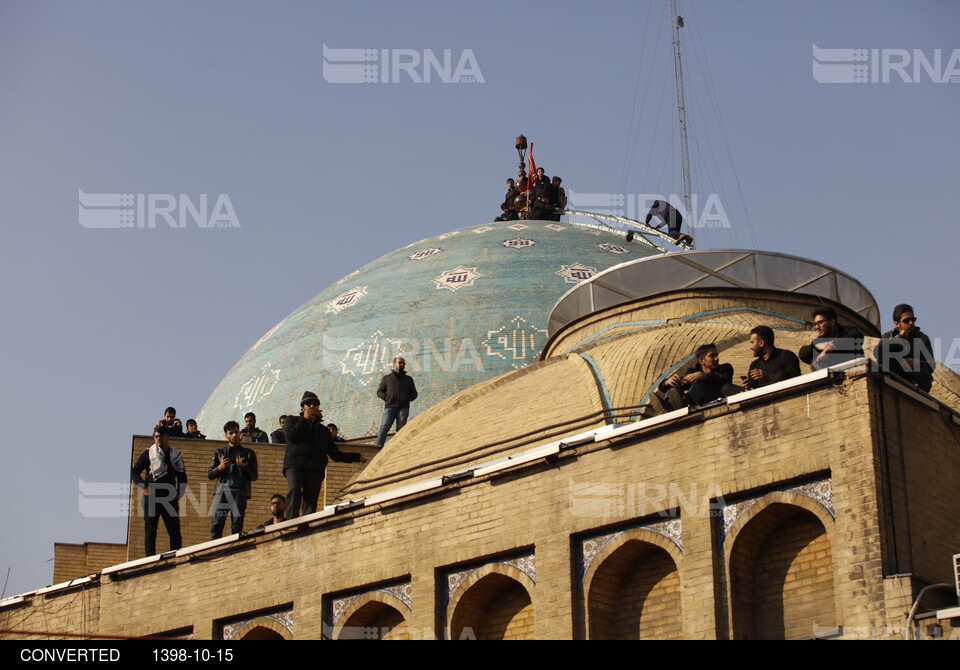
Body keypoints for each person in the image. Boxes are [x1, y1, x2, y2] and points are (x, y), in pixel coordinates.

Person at [283, 392, 366, 518]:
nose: (312, 406)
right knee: (294, 489)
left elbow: (335, 454)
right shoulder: (292, 420)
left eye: (315, 404)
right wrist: (304, 420)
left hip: (314, 469)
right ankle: (290, 522)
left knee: (311, 499)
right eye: (308, 404)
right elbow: (291, 436)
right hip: (295, 465)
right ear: (302, 407)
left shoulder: (323, 431)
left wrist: (356, 457)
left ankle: (305, 526)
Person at [131, 426, 187, 556]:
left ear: (168, 437)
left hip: (169, 496)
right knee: (151, 529)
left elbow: (182, 476)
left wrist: (179, 493)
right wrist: (144, 487)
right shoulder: (149, 454)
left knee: (174, 529)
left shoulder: (175, 455)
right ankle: (150, 559)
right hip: (152, 495)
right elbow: (134, 471)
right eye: (156, 436)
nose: (158, 439)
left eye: (161, 436)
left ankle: (176, 556)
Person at [208, 420, 259, 539]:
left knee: (237, 526)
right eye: (231, 433)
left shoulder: (248, 453)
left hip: (239, 493)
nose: (234, 435)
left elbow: (254, 476)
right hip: (222, 493)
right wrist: (220, 467)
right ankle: (214, 552)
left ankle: (235, 551)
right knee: (216, 525)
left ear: (240, 433)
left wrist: (244, 468)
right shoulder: (219, 453)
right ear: (226, 435)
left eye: (236, 432)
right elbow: (210, 474)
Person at [657, 343, 742, 410]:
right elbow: (664, 388)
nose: (716, 358)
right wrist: (667, 382)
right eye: (712, 356)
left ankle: (682, 403)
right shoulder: (693, 372)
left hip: (715, 398)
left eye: (716, 355)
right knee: (674, 385)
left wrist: (703, 376)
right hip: (696, 402)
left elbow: (724, 382)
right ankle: (669, 405)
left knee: (699, 383)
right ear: (701, 361)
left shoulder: (725, 368)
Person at [873, 303, 935, 392]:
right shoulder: (889, 336)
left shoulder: (922, 338)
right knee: (884, 358)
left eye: (913, 319)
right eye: (906, 321)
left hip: (915, 376)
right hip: (898, 373)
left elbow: (931, 365)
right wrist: (898, 339)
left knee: (924, 374)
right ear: (897, 323)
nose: (911, 323)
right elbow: (877, 353)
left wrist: (915, 363)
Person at [798, 306, 864, 370]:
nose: (817, 327)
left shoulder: (846, 330)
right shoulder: (821, 340)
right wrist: (816, 346)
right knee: (814, 359)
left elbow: (857, 337)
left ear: (832, 322)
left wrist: (831, 347)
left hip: (853, 369)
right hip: (831, 374)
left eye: (820, 322)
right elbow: (802, 354)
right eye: (815, 324)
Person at [376, 357, 418, 447]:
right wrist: (387, 398)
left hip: (404, 407)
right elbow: (379, 391)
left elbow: (414, 393)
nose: (402, 364)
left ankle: (399, 447)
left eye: (403, 363)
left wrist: (408, 398)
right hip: (390, 407)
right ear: (394, 364)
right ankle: (378, 446)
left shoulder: (408, 379)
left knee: (401, 429)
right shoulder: (387, 378)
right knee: (384, 427)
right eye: (400, 363)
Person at [743, 325, 801, 389]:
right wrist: (749, 385)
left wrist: (769, 376)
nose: (750, 347)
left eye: (752, 342)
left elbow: (796, 382)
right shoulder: (754, 365)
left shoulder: (786, 356)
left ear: (761, 343)